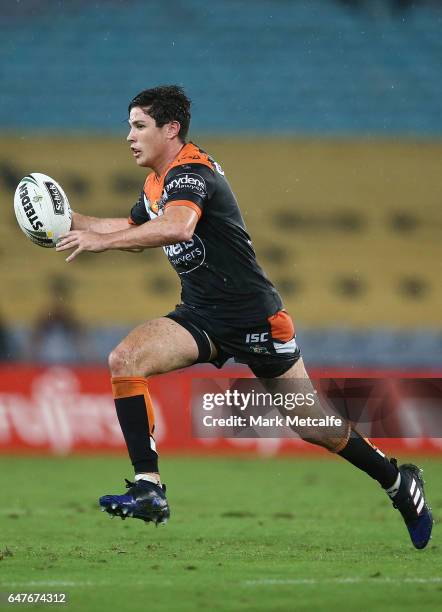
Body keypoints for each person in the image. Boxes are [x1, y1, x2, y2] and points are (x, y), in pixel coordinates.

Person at [56, 85, 432, 548]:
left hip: (256, 318)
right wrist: (68, 220)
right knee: (125, 359)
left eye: (138, 126)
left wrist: (99, 243)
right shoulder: (158, 182)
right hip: (202, 316)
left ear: (170, 129)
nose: (128, 137)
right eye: (128, 126)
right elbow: (135, 229)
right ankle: (149, 487)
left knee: (312, 424)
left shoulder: (192, 172)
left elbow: (176, 226)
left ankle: (398, 482)